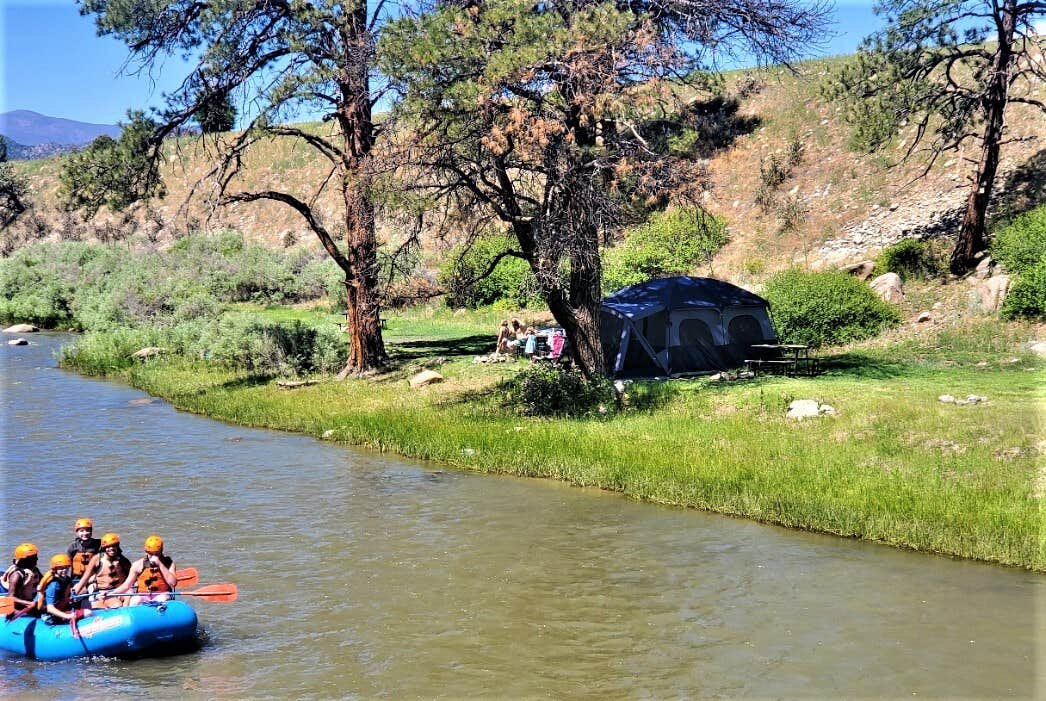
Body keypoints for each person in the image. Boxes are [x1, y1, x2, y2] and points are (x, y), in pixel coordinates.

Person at [104, 535, 177, 606]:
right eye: (150, 553)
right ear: (146, 551)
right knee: (135, 600)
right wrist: (111, 593)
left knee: (162, 598)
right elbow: (127, 585)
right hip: (144, 595)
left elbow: (173, 583)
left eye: (156, 553)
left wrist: (160, 564)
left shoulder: (169, 563)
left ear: (161, 551)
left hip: (162, 594)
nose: (153, 556)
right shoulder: (138, 565)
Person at [72, 533, 132, 609]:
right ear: (104, 548)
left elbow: (132, 576)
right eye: (108, 547)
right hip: (105, 593)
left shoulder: (123, 560)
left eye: (114, 546)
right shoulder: (96, 560)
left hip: (120, 590)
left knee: (130, 595)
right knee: (117, 604)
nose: (111, 549)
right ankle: (95, 604)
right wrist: (75, 593)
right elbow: (85, 578)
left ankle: (126, 610)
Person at [38, 554, 89, 625]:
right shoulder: (53, 585)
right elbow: (50, 608)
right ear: (55, 569)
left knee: (84, 592)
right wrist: (67, 616)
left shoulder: (66, 579)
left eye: (66, 567)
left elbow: (70, 590)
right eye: (61, 568)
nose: (64, 570)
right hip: (52, 615)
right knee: (88, 613)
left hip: (64, 606)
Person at [1, 543, 42, 616]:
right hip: (14, 607)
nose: (37, 559)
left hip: (27, 603)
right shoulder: (16, 575)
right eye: (33, 557)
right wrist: (29, 603)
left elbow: (45, 583)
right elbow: (11, 597)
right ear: (24, 560)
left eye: (36, 556)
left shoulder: (35, 570)